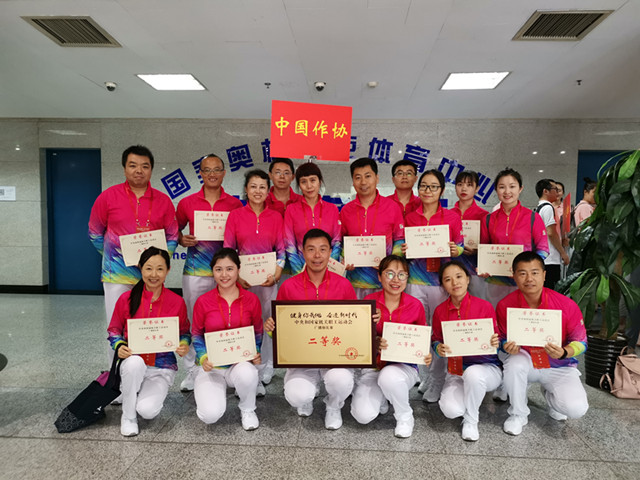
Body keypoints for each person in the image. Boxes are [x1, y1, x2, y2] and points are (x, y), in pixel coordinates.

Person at [90, 145, 179, 361]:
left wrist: (157, 264)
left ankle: (147, 370)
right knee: (116, 327)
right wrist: (117, 257)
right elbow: (95, 233)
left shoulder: (163, 200)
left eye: (145, 166)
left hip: (152, 277)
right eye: (133, 165)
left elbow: (173, 236)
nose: (139, 170)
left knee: (149, 325)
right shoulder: (108, 197)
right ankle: (116, 374)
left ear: (151, 170)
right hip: (117, 276)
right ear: (124, 168)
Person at [264, 229, 357, 430]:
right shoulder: (289, 286)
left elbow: (353, 325)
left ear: (330, 252)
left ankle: (333, 406)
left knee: (341, 381)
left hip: (334, 354)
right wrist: (271, 328)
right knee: (297, 395)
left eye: (323, 249)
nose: (317, 255)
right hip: (302, 357)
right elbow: (281, 328)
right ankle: (308, 396)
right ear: (302, 252)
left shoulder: (344, 285)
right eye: (311, 249)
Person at [498, 251, 589, 436]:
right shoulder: (505, 305)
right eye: (522, 273)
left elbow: (581, 342)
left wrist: (564, 352)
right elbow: (500, 337)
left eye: (535, 272)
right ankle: (518, 415)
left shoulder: (566, 305)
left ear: (544, 274)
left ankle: (551, 396)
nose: (529, 279)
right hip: (526, 360)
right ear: (514, 275)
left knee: (576, 409)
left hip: (559, 364)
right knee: (514, 364)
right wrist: (505, 345)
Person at [175, 154, 243, 391]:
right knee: (194, 321)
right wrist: (182, 239)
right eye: (207, 170)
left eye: (216, 169)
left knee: (225, 319)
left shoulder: (235, 205)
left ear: (224, 173)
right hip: (196, 271)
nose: (212, 174)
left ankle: (226, 366)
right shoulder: (187, 203)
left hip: (226, 274)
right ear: (201, 173)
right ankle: (192, 370)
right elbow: (174, 231)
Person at [107, 247, 191, 437]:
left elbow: (184, 332)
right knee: (134, 364)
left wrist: (184, 344)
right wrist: (119, 345)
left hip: (161, 366)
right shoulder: (126, 299)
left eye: (160, 269)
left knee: (147, 411)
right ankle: (128, 417)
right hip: (133, 361)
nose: (154, 274)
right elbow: (114, 330)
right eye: (148, 268)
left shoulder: (176, 301)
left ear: (168, 270)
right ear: (140, 268)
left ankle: (136, 392)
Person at [350, 255, 432, 438]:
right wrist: (374, 341)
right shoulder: (368, 302)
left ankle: (405, 416)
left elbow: (421, 340)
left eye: (401, 275)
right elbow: (356, 338)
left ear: (407, 278)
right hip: (373, 367)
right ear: (379, 276)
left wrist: (426, 354)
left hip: (403, 368)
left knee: (389, 377)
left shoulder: (415, 305)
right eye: (389, 274)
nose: (396, 280)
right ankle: (383, 396)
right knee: (362, 416)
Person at [404, 169, 464, 402]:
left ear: (441, 190)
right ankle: (427, 375)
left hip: (440, 282)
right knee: (420, 330)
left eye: (433, 186)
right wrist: (403, 249)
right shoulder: (410, 217)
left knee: (439, 330)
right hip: (416, 281)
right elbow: (400, 246)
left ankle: (439, 380)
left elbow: (460, 246)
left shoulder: (452, 217)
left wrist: (455, 250)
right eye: (424, 186)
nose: (428, 191)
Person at [224, 169, 285, 388]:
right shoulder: (235, 216)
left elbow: (281, 251)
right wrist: (237, 276)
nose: (257, 191)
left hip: (268, 282)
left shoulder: (275, 217)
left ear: (268, 191)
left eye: (262, 187)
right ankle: (244, 367)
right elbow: (229, 249)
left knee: (268, 323)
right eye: (253, 186)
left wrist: (276, 275)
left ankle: (266, 365)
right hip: (243, 283)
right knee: (245, 323)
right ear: (246, 189)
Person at [191, 248, 263, 431]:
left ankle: (248, 409)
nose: (224, 275)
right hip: (212, 367)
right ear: (212, 272)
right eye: (218, 269)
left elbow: (257, 331)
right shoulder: (203, 301)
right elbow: (196, 333)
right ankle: (212, 391)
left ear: (238, 269)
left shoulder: (252, 300)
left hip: (239, 364)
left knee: (248, 373)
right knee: (210, 415)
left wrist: (255, 351)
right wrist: (203, 357)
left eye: (229, 269)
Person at [432, 260, 501, 441]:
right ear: (442, 285)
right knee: (451, 410)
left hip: (487, 368)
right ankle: (473, 396)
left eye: (459, 276)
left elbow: (498, 340)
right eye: (448, 279)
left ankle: (471, 420)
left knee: (474, 374)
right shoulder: (440, 311)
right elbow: (435, 340)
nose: (455, 283)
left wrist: (496, 341)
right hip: (456, 370)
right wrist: (438, 348)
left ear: (468, 279)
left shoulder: (484, 306)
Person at [479, 167, 549, 308]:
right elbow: (484, 249)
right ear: (496, 190)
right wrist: (483, 267)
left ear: (520, 189)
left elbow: (543, 250)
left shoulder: (533, 217)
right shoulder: (488, 219)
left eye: (512, 186)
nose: (507, 192)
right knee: (497, 316)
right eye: (502, 187)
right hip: (495, 282)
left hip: (524, 282)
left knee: (521, 318)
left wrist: (526, 268)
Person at [340, 157, 405, 299]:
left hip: (385, 283)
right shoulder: (346, 211)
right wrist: (345, 259)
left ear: (377, 178)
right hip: (355, 281)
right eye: (358, 177)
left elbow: (400, 240)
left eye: (368, 176)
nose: (363, 182)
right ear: (353, 181)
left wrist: (388, 265)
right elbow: (341, 242)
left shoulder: (392, 207)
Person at [284, 162, 341, 275]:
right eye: (303, 182)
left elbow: (337, 242)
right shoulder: (291, 210)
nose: (309, 186)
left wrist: (328, 269)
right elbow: (289, 244)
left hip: (328, 271)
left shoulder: (332, 209)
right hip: (301, 270)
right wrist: (299, 273)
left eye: (313, 180)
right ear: (299, 185)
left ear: (320, 182)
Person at [451, 170, 489, 299]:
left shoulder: (484, 216)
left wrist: (477, 251)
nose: (464, 188)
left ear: (477, 189)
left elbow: (488, 244)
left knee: (477, 303)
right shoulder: (448, 214)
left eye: (469, 185)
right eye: (460, 184)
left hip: (475, 269)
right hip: (452, 268)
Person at [535, 179, 569, 290]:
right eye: (555, 189)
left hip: (543, 257)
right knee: (551, 291)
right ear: (545, 191)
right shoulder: (548, 208)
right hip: (550, 258)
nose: (557, 192)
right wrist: (563, 252)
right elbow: (551, 233)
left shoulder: (539, 208)